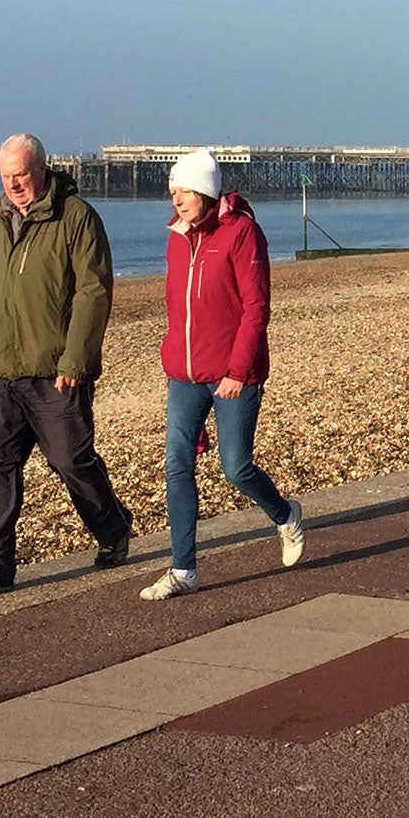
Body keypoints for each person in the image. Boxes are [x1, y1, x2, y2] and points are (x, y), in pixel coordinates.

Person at [0, 133, 133, 596]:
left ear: (42, 168)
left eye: (21, 174)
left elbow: (93, 293)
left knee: (71, 461)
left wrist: (76, 358)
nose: (13, 184)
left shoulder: (76, 218)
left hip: (55, 368)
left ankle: (113, 530)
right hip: (2, 370)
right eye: (5, 176)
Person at [139, 148, 304, 599]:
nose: (177, 200)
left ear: (207, 192)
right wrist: (171, 355)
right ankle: (183, 570)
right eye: (173, 191)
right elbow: (179, 305)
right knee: (177, 464)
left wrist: (236, 371)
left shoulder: (242, 233)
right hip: (185, 375)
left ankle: (286, 515)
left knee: (236, 468)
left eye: (185, 191)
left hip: (234, 377)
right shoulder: (177, 237)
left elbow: (256, 308)